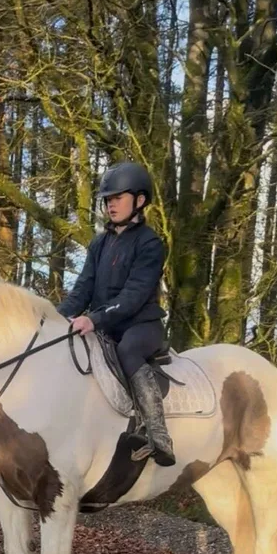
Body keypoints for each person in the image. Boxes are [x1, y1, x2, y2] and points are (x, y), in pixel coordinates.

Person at [57, 161, 175, 466]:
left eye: (118, 198)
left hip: (140, 325)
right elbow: (82, 289)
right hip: (105, 324)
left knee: (128, 352)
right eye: (108, 199)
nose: (111, 205)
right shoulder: (99, 243)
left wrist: (93, 319)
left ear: (139, 200)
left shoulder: (150, 243)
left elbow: (133, 296)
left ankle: (158, 434)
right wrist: (54, 319)